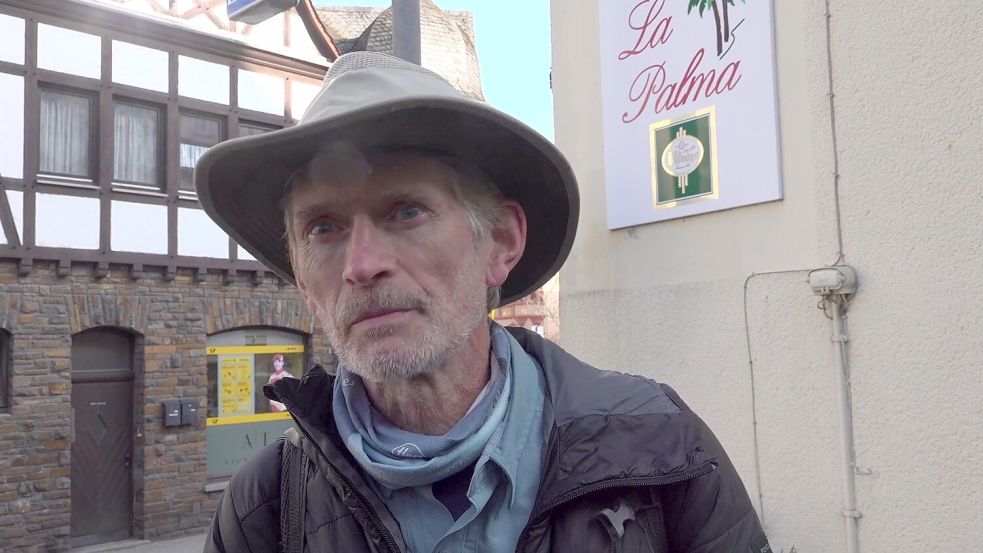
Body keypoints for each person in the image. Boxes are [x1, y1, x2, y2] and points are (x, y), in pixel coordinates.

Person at [195, 52, 770, 553]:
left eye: (406, 211)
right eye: (323, 227)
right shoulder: (265, 508)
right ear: (301, 279)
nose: (361, 264)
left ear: (501, 242)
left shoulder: (658, 446)